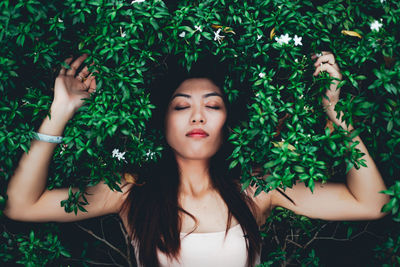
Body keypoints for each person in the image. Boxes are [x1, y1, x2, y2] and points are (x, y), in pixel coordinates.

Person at [4, 52, 390, 267]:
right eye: (181, 105)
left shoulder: (257, 191)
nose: (198, 115)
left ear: (227, 124)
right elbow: (22, 206)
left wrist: (338, 114)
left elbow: (372, 203)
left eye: (213, 105)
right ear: (165, 124)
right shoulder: (129, 191)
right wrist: (61, 109)